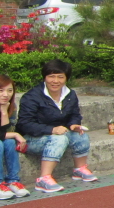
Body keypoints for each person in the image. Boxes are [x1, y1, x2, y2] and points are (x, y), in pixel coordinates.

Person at [18, 59, 95, 193]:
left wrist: (74, 125)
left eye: (60, 77)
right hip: (31, 139)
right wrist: (51, 130)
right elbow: (25, 124)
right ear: (44, 77)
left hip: (59, 134)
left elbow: (75, 114)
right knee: (59, 139)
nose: (55, 81)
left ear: (66, 78)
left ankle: (79, 169)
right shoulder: (32, 97)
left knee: (81, 134)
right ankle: (43, 179)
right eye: (51, 76)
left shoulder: (70, 94)